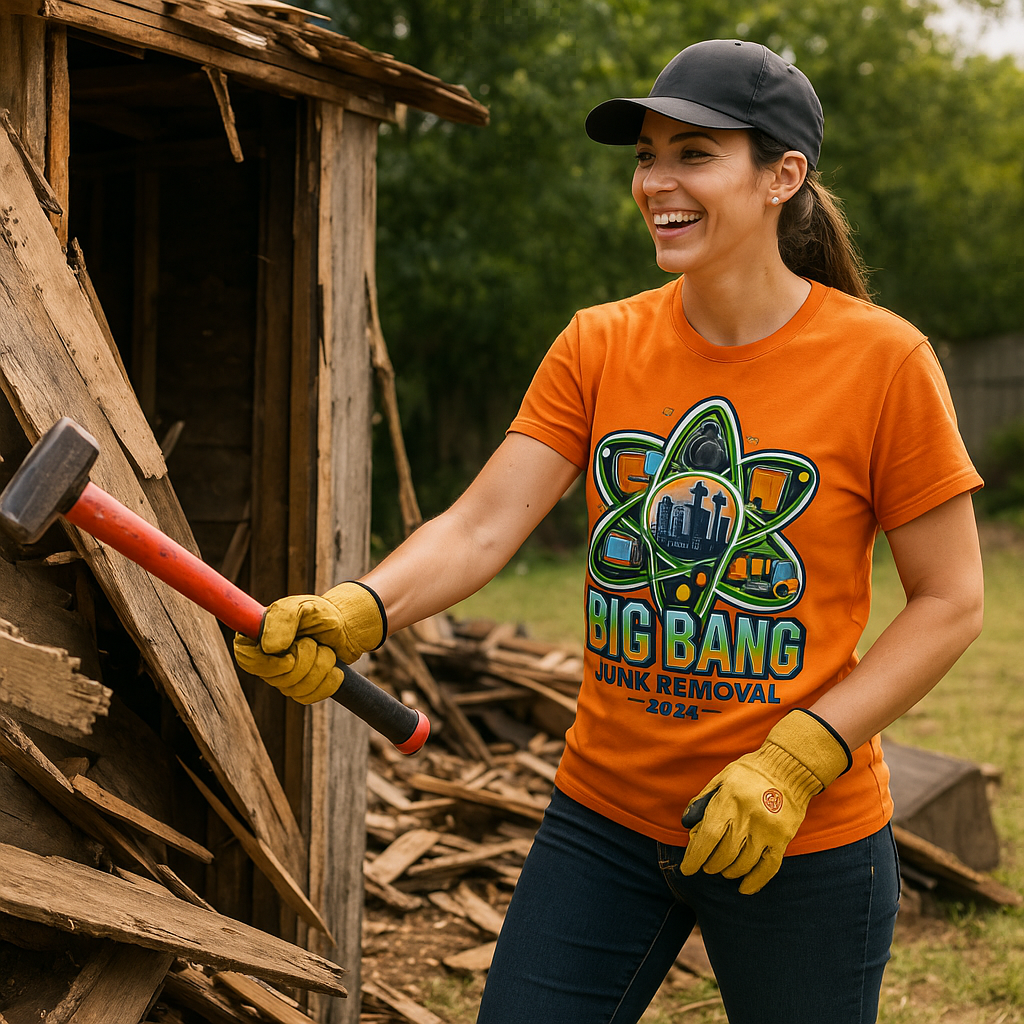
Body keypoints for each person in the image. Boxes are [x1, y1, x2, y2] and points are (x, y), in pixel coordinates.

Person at [235, 39, 984, 1024]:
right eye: (645, 156)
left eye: (693, 154)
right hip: (604, 821)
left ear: (781, 177)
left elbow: (950, 600)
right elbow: (482, 523)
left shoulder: (883, 360)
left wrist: (798, 758)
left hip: (798, 831)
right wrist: (358, 608)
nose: (656, 183)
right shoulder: (599, 342)